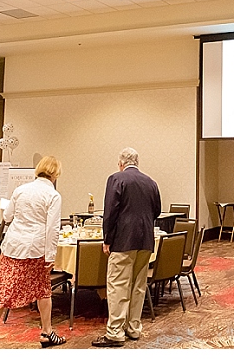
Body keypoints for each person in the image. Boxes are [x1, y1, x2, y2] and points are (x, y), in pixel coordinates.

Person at [0, 156, 65, 348]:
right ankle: (47, 332)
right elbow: (53, 228)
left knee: (2, 290)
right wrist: (51, 256)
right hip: (36, 248)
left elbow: (7, 216)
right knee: (43, 290)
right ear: (55, 174)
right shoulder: (53, 195)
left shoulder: (20, 190)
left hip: (13, 246)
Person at [93, 147, 162, 347]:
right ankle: (133, 328)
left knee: (118, 285)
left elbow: (110, 212)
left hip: (123, 240)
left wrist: (107, 239)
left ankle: (115, 332)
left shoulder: (116, 179)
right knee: (138, 286)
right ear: (137, 163)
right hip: (146, 240)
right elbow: (157, 211)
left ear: (121, 164)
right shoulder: (151, 182)